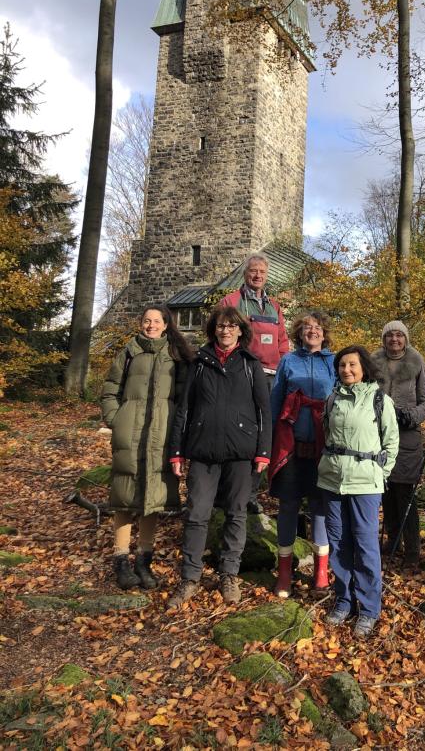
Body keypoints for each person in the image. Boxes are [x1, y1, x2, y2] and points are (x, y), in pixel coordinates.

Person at [166, 306, 272, 608]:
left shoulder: (251, 365)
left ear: (240, 331)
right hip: (202, 452)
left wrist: (263, 451)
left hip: (241, 454)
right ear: (213, 330)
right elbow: (184, 410)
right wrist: (177, 450)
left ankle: (229, 573)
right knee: (197, 514)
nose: (225, 331)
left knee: (236, 514)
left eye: (231, 326)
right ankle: (190, 576)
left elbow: (264, 411)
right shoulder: (199, 362)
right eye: (220, 326)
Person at [101, 305, 194, 590]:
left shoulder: (176, 355)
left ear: (166, 325)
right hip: (130, 431)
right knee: (124, 497)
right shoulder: (129, 352)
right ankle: (121, 561)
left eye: (156, 321)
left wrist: (178, 428)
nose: (151, 325)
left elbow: (183, 397)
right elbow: (110, 388)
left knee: (152, 499)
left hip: (161, 434)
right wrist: (117, 419)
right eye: (146, 321)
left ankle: (144, 560)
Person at [318, 345, 399, 638]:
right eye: (341, 366)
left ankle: (368, 608)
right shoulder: (332, 399)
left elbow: (391, 443)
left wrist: (380, 474)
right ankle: (343, 600)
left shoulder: (379, 399)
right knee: (339, 543)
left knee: (365, 546)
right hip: (331, 481)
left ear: (363, 367)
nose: (346, 370)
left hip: (365, 484)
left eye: (352, 365)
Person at [269, 311, 335, 598]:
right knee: (288, 506)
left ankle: (321, 572)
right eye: (308, 327)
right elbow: (275, 401)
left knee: (320, 507)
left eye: (318, 328)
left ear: (324, 333)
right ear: (299, 332)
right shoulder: (289, 361)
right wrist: (267, 442)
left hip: (324, 446)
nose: (313, 331)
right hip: (291, 445)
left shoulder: (333, 362)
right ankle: (284, 572)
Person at [220, 253, 290, 513]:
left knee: (264, 436)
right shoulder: (231, 302)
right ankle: (227, 492)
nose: (257, 276)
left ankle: (250, 494)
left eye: (262, 271)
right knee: (238, 432)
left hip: (271, 379)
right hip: (243, 376)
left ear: (266, 275)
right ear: (245, 274)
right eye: (253, 271)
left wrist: (283, 368)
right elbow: (220, 336)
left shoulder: (274, 306)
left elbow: (283, 342)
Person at [372, 320, 425, 569]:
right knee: (385, 491)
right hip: (377, 435)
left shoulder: (417, 362)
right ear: (384, 339)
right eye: (390, 336)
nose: (394, 340)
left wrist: (413, 415)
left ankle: (412, 551)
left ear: (405, 339)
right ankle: (392, 541)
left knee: (405, 494)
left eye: (399, 335)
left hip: (407, 436)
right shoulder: (373, 362)